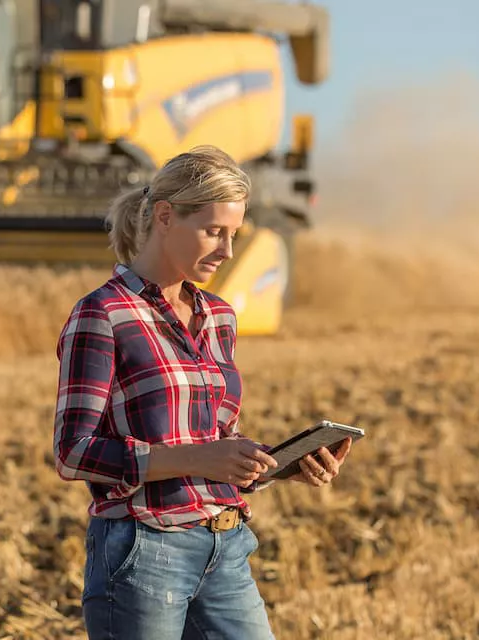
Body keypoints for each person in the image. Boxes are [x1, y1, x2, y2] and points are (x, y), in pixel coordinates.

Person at [51, 145, 354, 639]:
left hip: (226, 544)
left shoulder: (219, 317)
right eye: (214, 232)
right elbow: (73, 454)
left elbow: (214, 447)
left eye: (233, 234)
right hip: (144, 552)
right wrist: (199, 458)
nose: (228, 250)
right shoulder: (103, 314)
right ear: (166, 217)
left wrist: (277, 465)